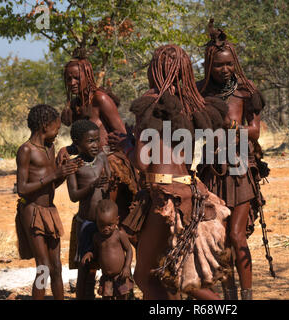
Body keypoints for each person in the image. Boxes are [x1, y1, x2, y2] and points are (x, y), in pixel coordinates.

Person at [109, 44, 232, 300]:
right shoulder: (192, 103)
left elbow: (143, 162)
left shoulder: (151, 103)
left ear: (155, 71)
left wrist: (126, 145)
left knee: (146, 275)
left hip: (164, 196)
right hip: (191, 190)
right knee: (174, 273)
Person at [196, 19, 267, 300]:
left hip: (240, 170)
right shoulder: (199, 92)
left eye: (229, 64)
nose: (225, 70)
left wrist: (231, 128)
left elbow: (255, 132)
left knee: (237, 236)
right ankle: (230, 298)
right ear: (208, 66)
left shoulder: (246, 91)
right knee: (220, 237)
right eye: (218, 65)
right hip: (212, 171)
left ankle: (246, 296)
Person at [60, 48, 138, 226]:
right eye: (68, 78)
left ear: (87, 76)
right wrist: (66, 149)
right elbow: (81, 142)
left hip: (112, 160)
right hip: (90, 160)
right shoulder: (76, 105)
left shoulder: (100, 99)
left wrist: (105, 155)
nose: (72, 82)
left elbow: (123, 136)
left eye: (76, 78)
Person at [15, 104, 81, 300]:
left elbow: (52, 183)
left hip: (49, 210)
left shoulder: (49, 148)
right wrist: (55, 174)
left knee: (57, 267)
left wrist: (66, 171)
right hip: (32, 210)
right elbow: (22, 188)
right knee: (43, 265)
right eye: (56, 129)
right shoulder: (26, 150)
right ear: (45, 125)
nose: (58, 133)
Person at [66, 119, 112, 299]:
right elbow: (73, 196)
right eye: (90, 141)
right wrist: (92, 186)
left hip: (104, 224)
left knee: (108, 263)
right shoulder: (74, 166)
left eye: (97, 140)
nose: (96, 145)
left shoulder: (102, 158)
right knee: (86, 267)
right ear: (77, 143)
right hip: (86, 223)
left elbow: (109, 183)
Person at [82, 199, 134, 300]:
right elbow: (96, 253)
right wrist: (90, 254)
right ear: (96, 222)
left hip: (121, 276)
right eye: (101, 225)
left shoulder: (119, 235)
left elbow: (129, 250)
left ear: (117, 220)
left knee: (122, 297)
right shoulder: (97, 237)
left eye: (109, 225)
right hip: (106, 277)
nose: (105, 228)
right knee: (106, 297)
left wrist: (127, 267)